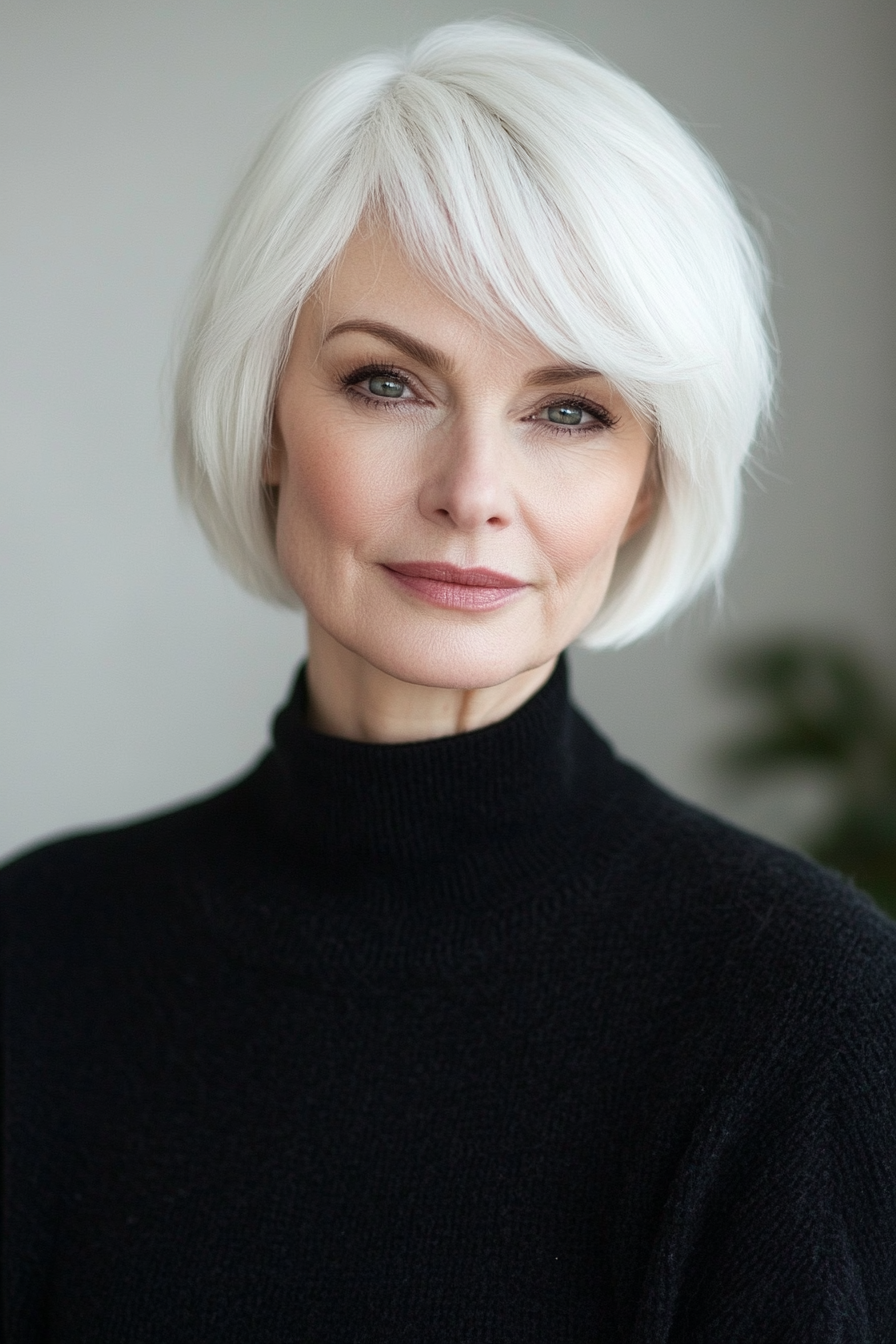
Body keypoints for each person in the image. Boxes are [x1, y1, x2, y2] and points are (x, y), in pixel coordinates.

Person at [2, 20, 894, 1342]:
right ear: (265, 419)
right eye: (387, 382)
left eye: (570, 409)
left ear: (650, 475)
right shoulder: (37, 958)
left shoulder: (800, 1005)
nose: (474, 493)